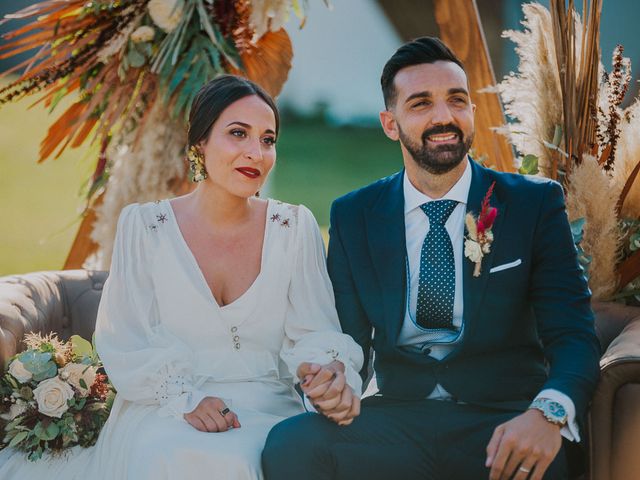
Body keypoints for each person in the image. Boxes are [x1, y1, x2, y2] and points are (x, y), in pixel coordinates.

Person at [262, 37, 601, 480]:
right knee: (291, 445)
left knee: (541, 463)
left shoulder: (533, 205)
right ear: (390, 123)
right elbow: (347, 341)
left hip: (502, 419)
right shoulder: (354, 215)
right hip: (397, 416)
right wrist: (334, 382)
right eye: (421, 104)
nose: (444, 117)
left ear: (472, 112)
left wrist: (548, 414)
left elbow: (573, 336)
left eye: (456, 100)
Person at [0, 74, 363, 479]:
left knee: (270, 456)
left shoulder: (294, 227)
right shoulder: (145, 226)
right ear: (199, 144)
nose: (255, 153)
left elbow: (314, 329)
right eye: (238, 134)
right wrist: (186, 399)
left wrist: (324, 372)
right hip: (165, 408)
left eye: (267, 139)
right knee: (178, 456)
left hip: (269, 407)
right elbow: (125, 336)